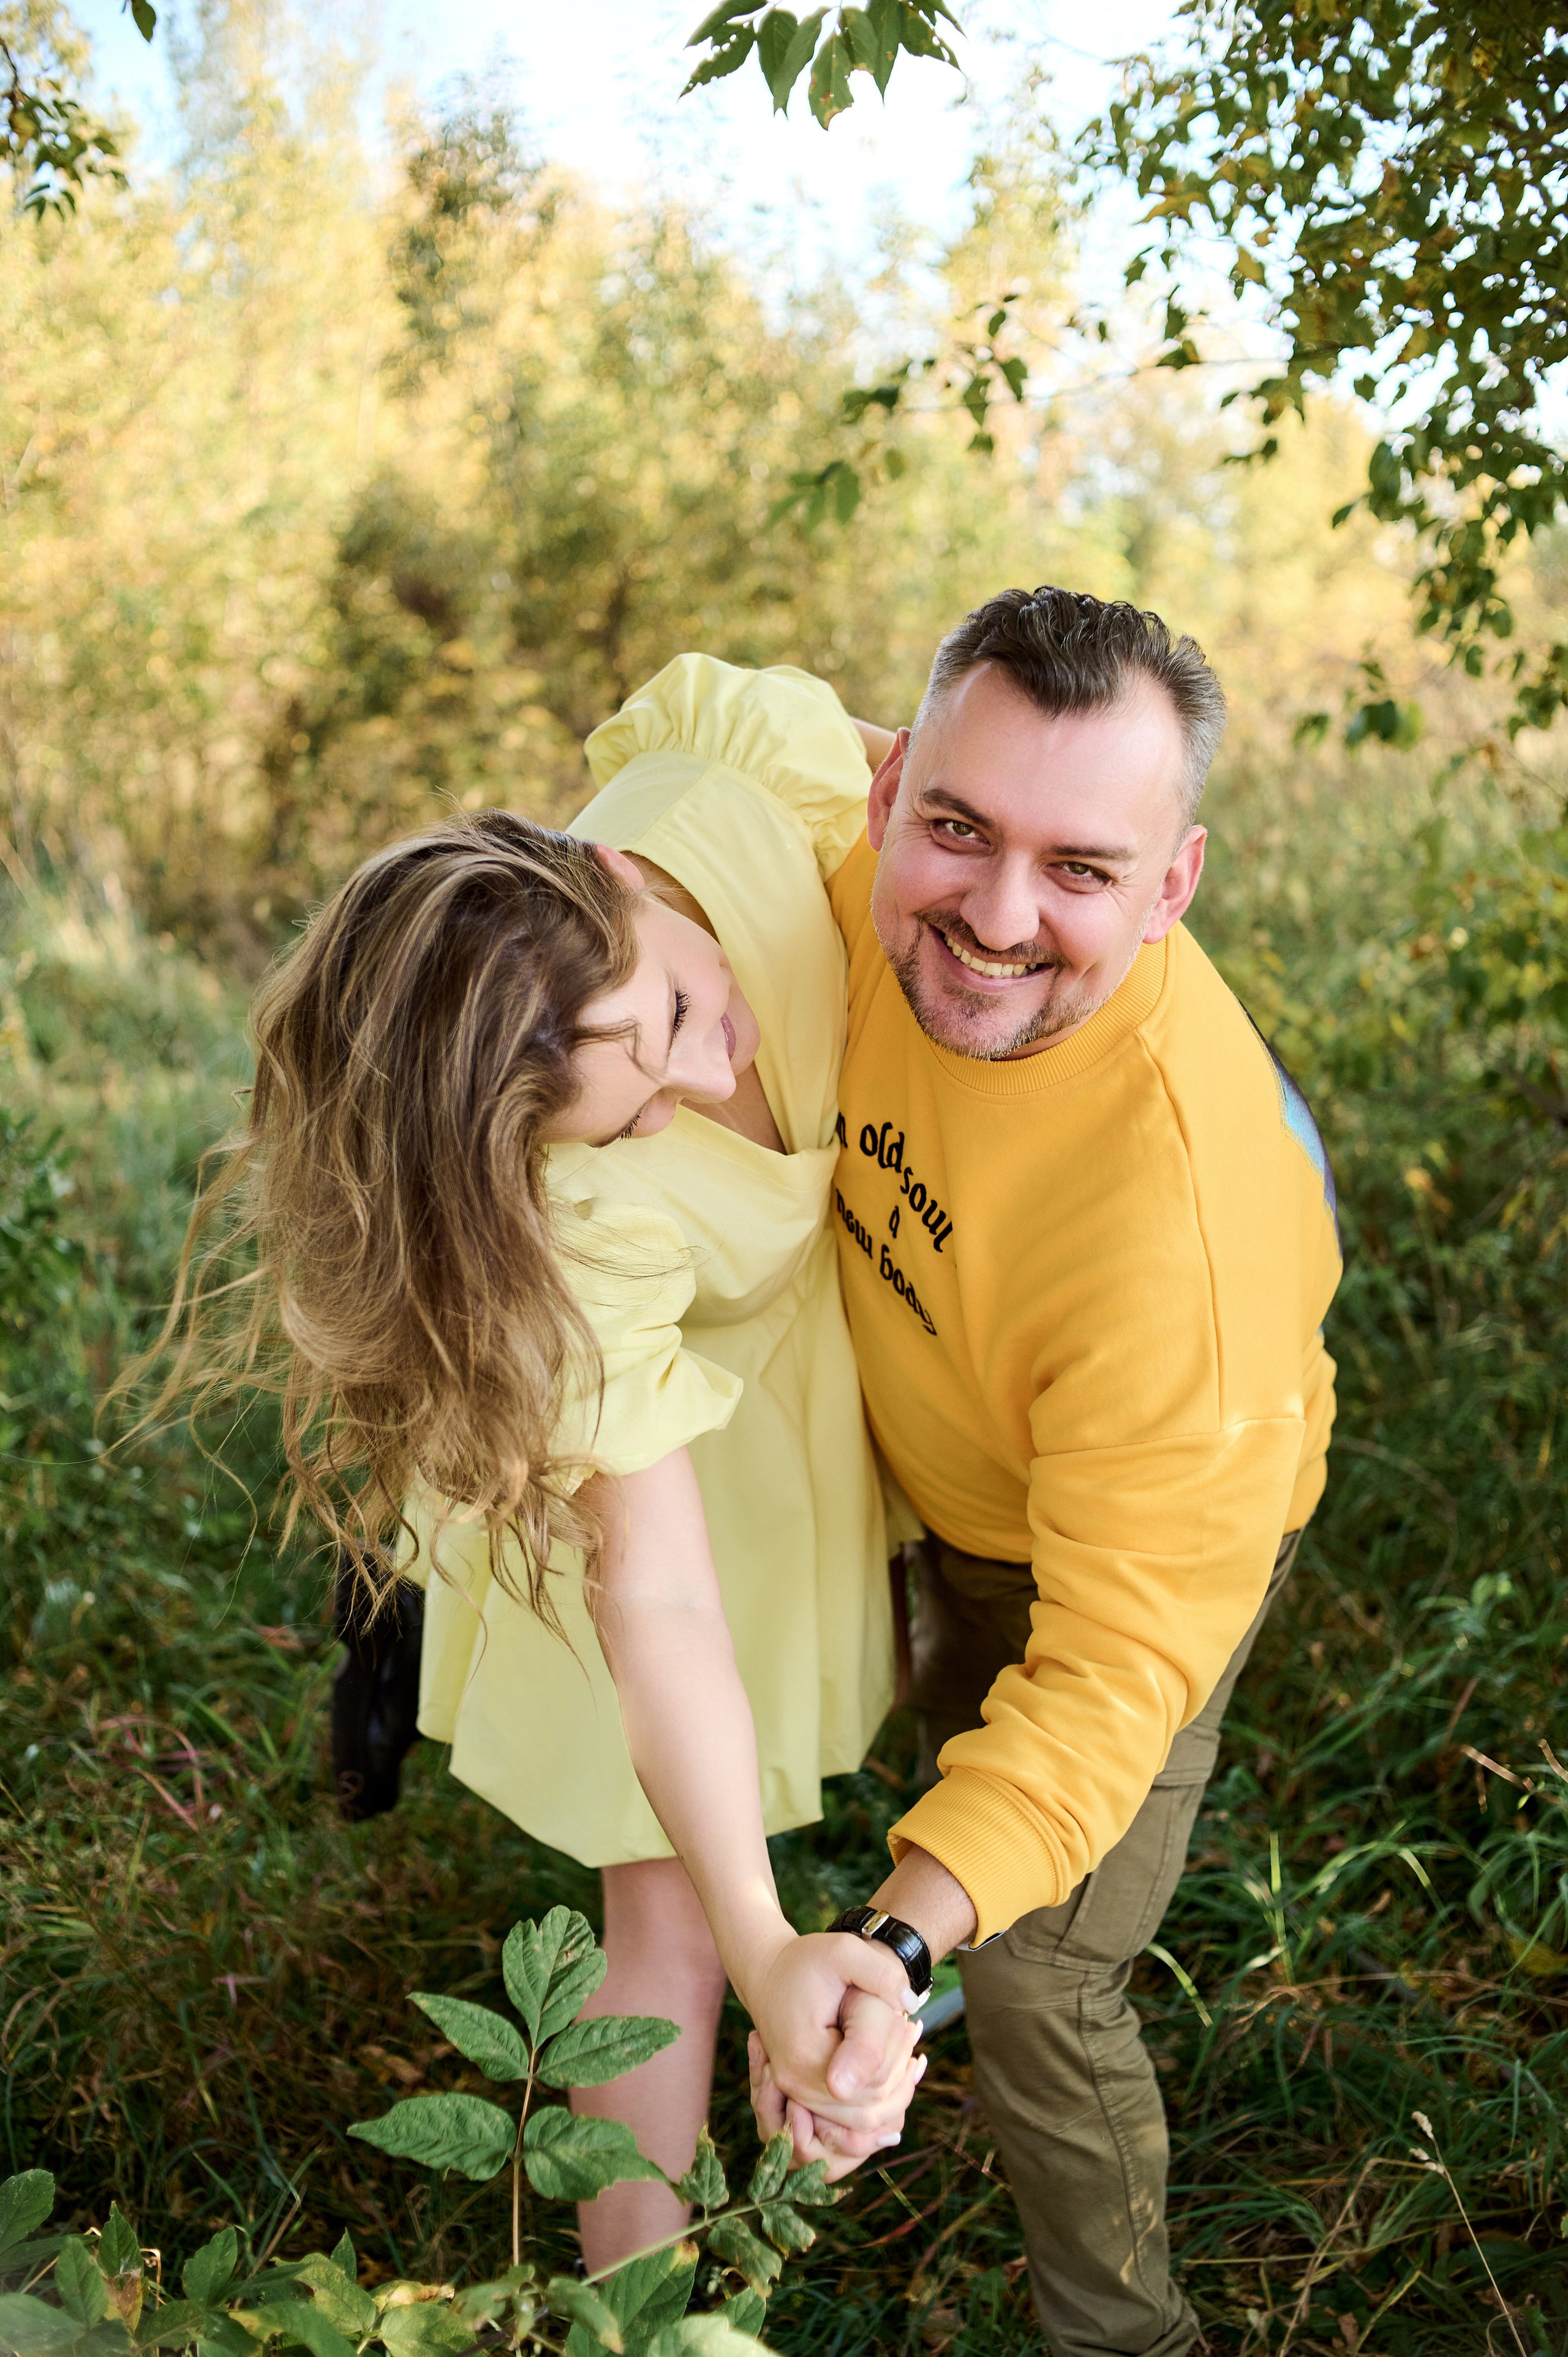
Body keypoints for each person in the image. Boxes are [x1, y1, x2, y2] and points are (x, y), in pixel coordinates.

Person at [623, 594, 1341, 2357]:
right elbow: (687, 722)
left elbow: (1103, 1685)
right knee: (943, 1740)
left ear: (1171, 889)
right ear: (886, 786)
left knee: (1031, 1967)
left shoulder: (1186, 1254)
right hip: (927, 1485)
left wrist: (900, 1947)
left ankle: (1126, 2329)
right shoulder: (823, 854)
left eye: (1081, 870)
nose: (994, 919)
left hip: (1113, 1558)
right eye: (958, 828)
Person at [146, 696, 929, 2274]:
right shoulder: (567, 1225)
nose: (700, 1084)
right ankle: (637, 2302)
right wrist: (773, 1938)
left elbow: (955, 808)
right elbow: (655, 1585)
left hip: (786, 1395)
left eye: (673, 1011)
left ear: (605, 874)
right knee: (676, 1911)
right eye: (635, 1110)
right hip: (645, 1431)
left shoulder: (740, 764)